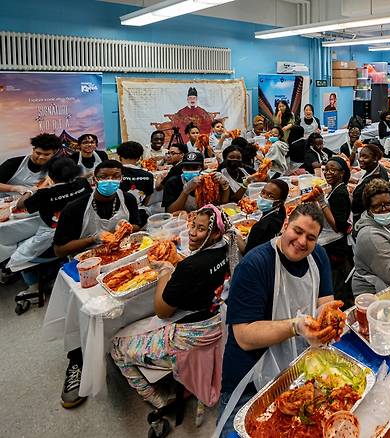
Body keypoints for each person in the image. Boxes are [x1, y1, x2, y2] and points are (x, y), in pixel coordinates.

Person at [217, 204, 339, 436]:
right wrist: (297, 325)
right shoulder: (255, 265)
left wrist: (328, 320)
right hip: (250, 378)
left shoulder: (318, 256)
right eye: (297, 231)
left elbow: (325, 303)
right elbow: (243, 336)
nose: (302, 242)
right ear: (285, 225)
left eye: (311, 237)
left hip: (298, 368)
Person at [111, 206, 232, 431]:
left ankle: (159, 399)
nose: (192, 233)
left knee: (116, 345)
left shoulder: (190, 266)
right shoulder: (227, 247)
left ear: (215, 233)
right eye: (193, 225)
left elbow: (162, 311)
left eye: (201, 229)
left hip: (187, 339)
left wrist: (165, 272)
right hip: (215, 322)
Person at [52, 160, 142, 408]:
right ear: (95, 179)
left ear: (122, 178)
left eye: (115, 176)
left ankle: (130, 347)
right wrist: (94, 238)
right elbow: (60, 249)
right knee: (86, 315)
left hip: (122, 258)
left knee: (135, 301)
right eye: (104, 177)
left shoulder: (128, 200)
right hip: (87, 267)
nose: (109, 181)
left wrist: (126, 229)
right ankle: (78, 361)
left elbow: (137, 225)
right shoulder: (75, 208)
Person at [8, 157, 91, 297]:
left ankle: (33, 287)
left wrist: (30, 190)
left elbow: (20, 205)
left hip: (57, 241)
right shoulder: (82, 183)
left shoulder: (44, 194)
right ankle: (56, 271)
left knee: (17, 248)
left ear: (50, 175)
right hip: (83, 231)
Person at [317, 156, 354, 308]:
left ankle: (339, 307)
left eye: (333, 170)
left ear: (342, 173)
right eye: (326, 169)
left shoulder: (340, 193)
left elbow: (337, 225)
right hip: (333, 240)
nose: (328, 173)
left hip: (334, 243)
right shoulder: (336, 189)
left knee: (336, 279)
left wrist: (321, 203)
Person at [162, 151, 229, 213]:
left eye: (195, 168)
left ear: (202, 168)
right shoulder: (172, 183)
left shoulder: (209, 181)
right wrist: (185, 191)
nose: (191, 170)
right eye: (187, 168)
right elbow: (170, 211)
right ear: (182, 168)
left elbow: (221, 204)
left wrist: (225, 187)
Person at [235, 179, 288, 254]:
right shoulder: (281, 210)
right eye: (263, 192)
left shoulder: (261, 227)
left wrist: (236, 234)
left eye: (270, 196)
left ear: (279, 202)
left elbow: (247, 253)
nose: (263, 197)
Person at [116, 141, 154, 224]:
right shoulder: (148, 175)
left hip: (118, 215)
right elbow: (147, 199)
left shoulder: (114, 174)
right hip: (140, 215)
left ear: (120, 157)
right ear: (139, 158)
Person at [351, 143, 389, 224]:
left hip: (364, 219)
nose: (360, 159)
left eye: (365, 157)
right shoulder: (380, 168)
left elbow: (356, 206)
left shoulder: (373, 181)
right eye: (360, 156)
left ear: (375, 159)